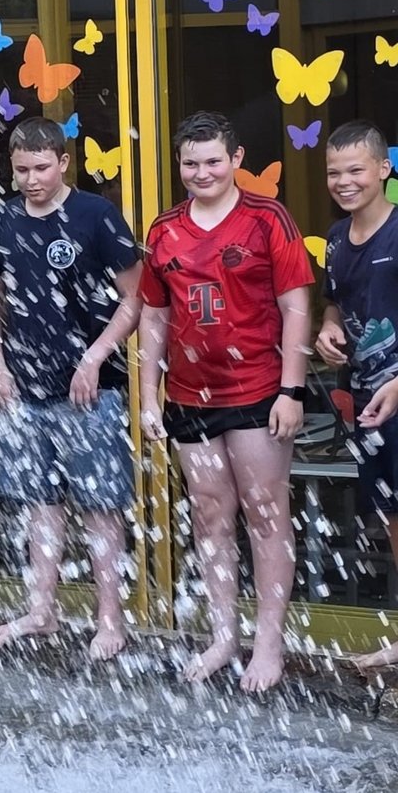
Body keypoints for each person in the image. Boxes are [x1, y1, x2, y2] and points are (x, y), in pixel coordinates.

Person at [138, 111, 314, 692]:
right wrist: (148, 396)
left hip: (259, 390)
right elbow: (155, 318)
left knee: (265, 513)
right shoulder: (163, 230)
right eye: (191, 163)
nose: (202, 172)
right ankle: (223, 635)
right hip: (190, 396)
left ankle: (269, 644)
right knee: (210, 515)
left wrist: (292, 389)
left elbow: (295, 308)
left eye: (213, 160)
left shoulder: (268, 218)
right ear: (179, 166)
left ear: (236, 160)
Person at [0, 118, 142, 660]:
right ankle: (43, 609)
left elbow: (135, 299)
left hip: (90, 390)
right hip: (25, 388)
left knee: (100, 506)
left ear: (64, 162)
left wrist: (95, 358)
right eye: (21, 169)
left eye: (41, 168)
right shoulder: (3, 218)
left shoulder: (96, 215)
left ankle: (110, 619)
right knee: (39, 503)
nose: (31, 180)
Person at [309, 122, 398, 674]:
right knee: (391, 518)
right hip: (367, 403)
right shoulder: (338, 239)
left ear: (384, 170)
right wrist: (326, 331)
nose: (343, 182)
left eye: (356, 170)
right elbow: (336, 306)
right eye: (334, 173)